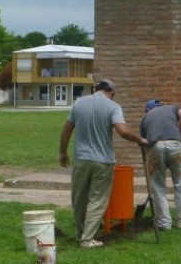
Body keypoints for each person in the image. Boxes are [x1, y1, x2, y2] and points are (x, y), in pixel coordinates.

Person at [58, 79, 146, 248]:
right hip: (103, 161)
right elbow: (122, 131)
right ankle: (87, 239)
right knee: (97, 200)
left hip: (81, 159)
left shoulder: (79, 103)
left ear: (94, 89)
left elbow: (67, 129)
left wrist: (62, 152)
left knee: (79, 199)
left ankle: (80, 234)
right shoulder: (113, 107)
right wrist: (140, 139)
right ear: (112, 93)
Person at [140, 98, 181, 230]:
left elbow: (144, 142)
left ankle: (164, 224)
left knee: (158, 187)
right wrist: (180, 133)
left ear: (148, 110)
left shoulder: (145, 118)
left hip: (155, 147)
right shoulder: (172, 108)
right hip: (176, 146)